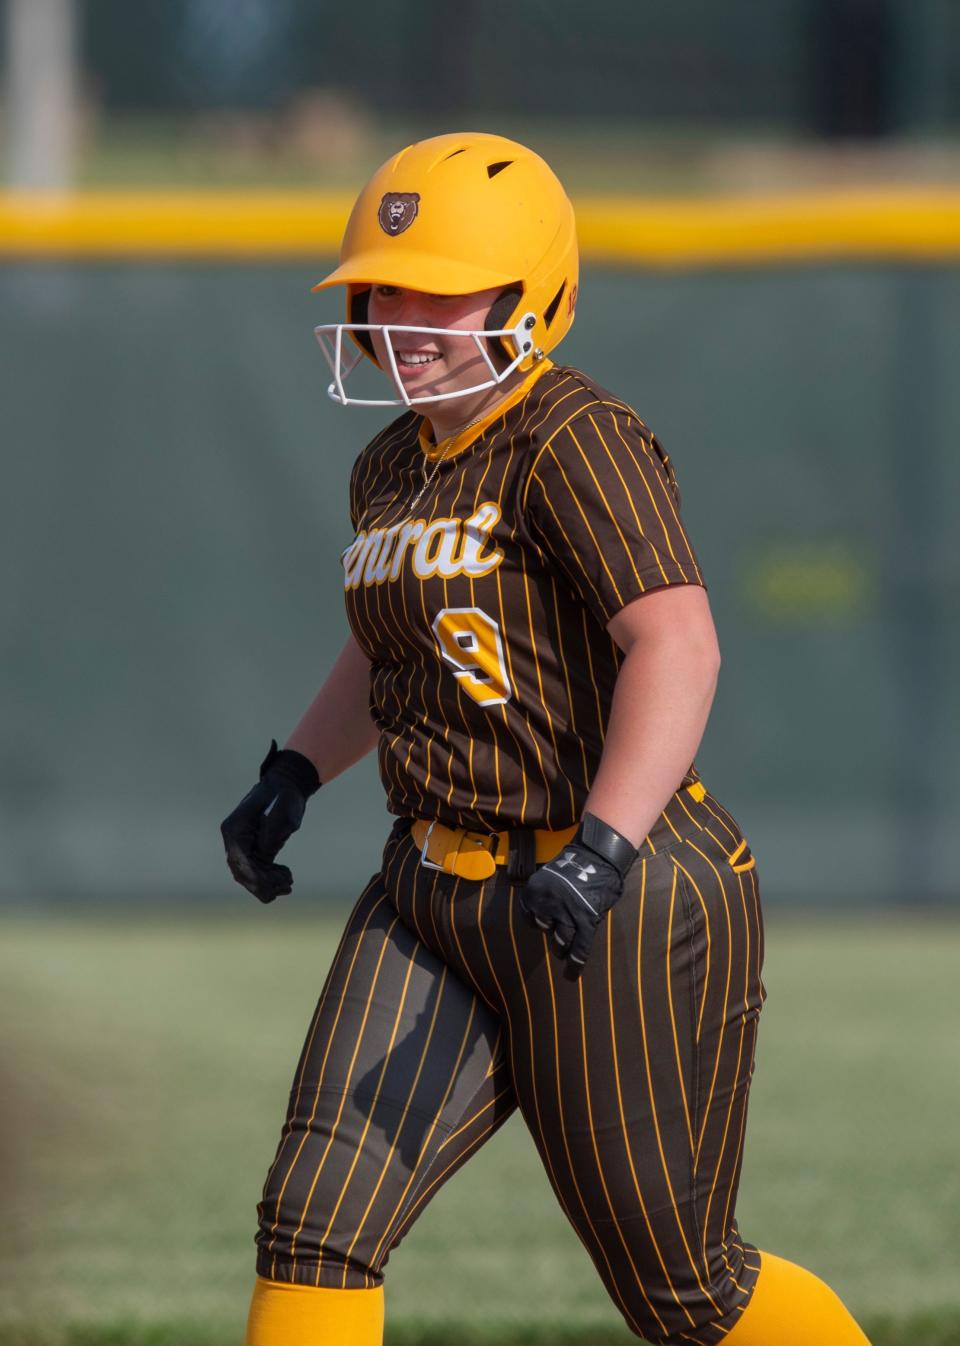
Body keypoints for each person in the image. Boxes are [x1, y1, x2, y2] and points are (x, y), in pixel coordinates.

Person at [221, 132, 871, 1346]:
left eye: (439, 284)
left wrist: (605, 845)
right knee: (314, 1221)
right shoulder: (389, 465)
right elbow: (390, 650)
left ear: (532, 292)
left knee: (683, 1286)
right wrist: (294, 770)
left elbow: (677, 642)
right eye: (384, 285)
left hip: (611, 893)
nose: (400, 315)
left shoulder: (572, 433)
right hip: (431, 885)